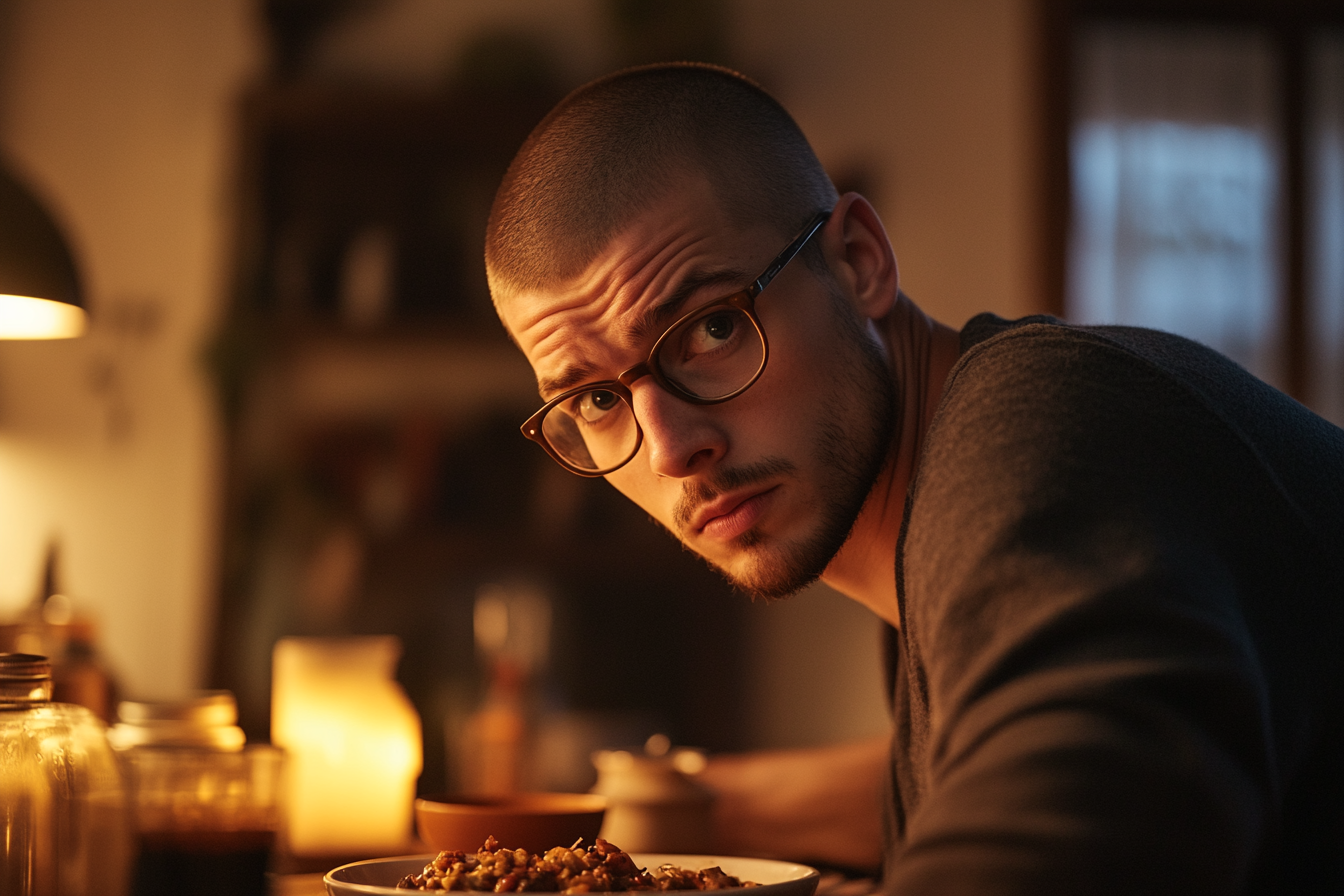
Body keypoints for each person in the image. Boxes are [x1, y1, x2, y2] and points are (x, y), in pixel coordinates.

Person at [483, 62, 1344, 895]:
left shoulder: (1039, 430)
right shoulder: (938, 534)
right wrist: (686, 800)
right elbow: (985, 765)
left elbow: (1070, 818)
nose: (669, 449)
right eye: (596, 399)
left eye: (711, 329)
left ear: (858, 262)